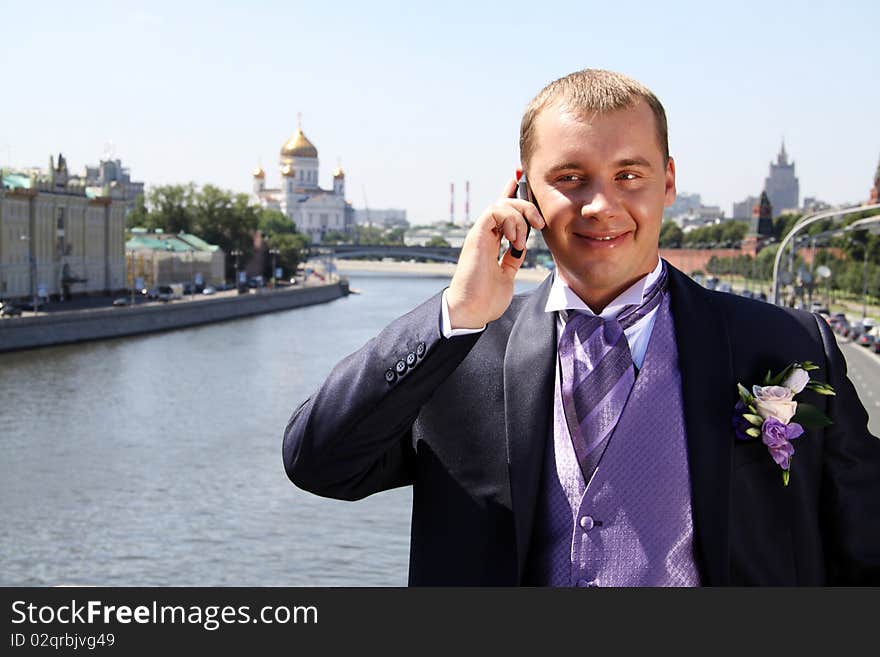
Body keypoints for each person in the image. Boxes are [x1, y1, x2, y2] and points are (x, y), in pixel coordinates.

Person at [283, 68, 880, 586]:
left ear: (668, 181)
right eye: (570, 178)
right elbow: (319, 463)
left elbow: (866, 553)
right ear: (524, 191)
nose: (601, 205)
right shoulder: (457, 356)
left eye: (629, 175)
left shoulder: (789, 348)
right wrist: (456, 315)